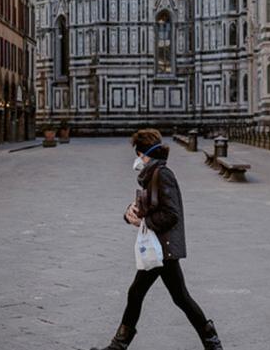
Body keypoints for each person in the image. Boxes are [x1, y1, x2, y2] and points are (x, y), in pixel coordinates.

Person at [91, 129, 224, 350]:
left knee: (140, 293)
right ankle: (212, 342)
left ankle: (118, 346)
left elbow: (171, 214)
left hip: (162, 248)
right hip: (160, 246)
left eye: (139, 155)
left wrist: (144, 222)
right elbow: (150, 206)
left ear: (145, 154)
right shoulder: (152, 174)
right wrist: (129, 213)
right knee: (178, 297)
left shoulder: (162, 174)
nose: (137, 160)